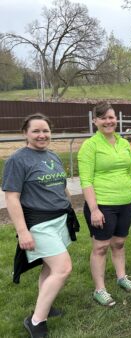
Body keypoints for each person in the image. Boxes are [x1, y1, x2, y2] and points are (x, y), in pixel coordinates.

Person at [2, 113, 76, 337]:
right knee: (63, 268)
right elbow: (12, 197)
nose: (42, 135)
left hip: (59, 219)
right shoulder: (17, 160)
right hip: (39, 223)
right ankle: (35, 321)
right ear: (25, 133)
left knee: (50, 267)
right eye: (36, 131)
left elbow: (61, 185)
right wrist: (22, 232)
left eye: (45, 131)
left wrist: (68, 203)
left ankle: (44, 305)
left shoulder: (52, 155)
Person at [78, 102, 131, 307]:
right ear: (95, 121)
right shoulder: (90, 146)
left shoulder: (124, 143)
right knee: (100, 247)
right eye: (103, 118)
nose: (108, 121)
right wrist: (94, 209)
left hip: (125, 203)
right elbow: (86, 180)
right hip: (102, 205)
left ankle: (121, 277)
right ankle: (100, 289)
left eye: (111, 117)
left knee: (119, 243)